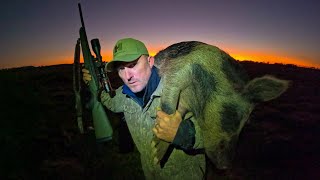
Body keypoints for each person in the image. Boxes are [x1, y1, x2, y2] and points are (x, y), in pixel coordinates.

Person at [82, 38, 206, 179]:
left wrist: (183, 134)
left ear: (150, 62)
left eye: (133, 65)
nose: (128, 76)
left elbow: (217, 134)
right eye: (121, 69)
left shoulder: (182, 90)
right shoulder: (123, 94)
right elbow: (110, 101)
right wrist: (95, 85)